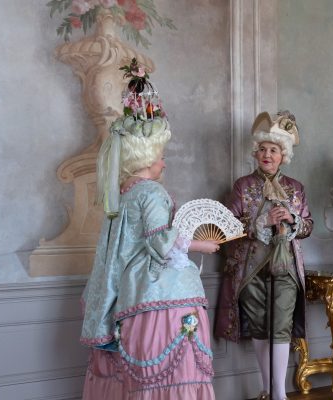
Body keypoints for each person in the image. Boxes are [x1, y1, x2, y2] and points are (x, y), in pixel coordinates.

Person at [80, 59, 218, 399]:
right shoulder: (152, 192)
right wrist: (201, 245)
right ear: (147, 157)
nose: (163, 161)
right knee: (172, 372)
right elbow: (159, 243)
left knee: (135, 378)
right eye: (160, 155)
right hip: (158, 293)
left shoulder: (124, 193)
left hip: (130, 290)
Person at [215, 111, 313, 400]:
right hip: (250, 268)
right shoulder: (242, 186)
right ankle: (267, 388)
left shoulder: (296, 188)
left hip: (287, 267)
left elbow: (308, 226)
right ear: (255, 153)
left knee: (281, 327)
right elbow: (227, 227)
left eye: (273, 150)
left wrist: (293, 220)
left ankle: (279, 393)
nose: (267, 155)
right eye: (262, 149)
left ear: (283, 155)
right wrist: (262, 222)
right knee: (260, 327)